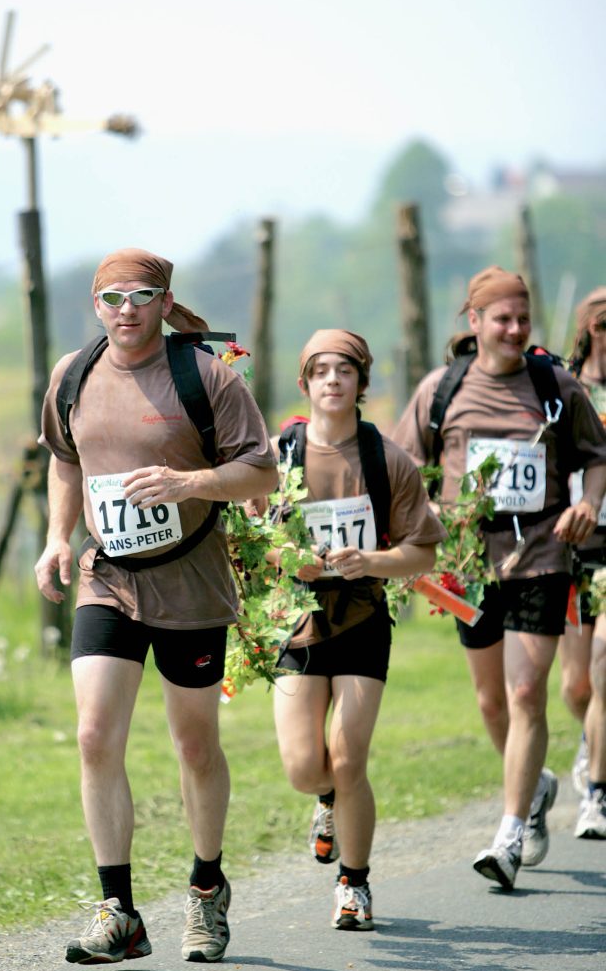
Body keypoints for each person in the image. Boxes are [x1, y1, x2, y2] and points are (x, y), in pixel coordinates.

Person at [35, 247, 278, 965]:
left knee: (194, 744)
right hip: (108, 577)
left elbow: (259, 469)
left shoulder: (206, 376)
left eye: (142, 295)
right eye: (112, 297)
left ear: (167, 302)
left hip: (190, 583)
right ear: (96, 303)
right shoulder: (72, 375)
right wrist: (56, 536)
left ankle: (206, 891)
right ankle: (119, 913)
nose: (127, 310)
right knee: (93, 735)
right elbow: (64, 457)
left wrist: (190, 483)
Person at [393, 266, 606, 890]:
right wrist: (422, 511)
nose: (514, 330)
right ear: (475, 321)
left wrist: (586, 501)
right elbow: (406, 466)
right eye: (502, 319)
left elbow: (598, 459)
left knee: (523, 694)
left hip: (542, 553)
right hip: (468, 565)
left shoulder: (557, 387)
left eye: (522, 318)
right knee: (490, 701)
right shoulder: (442, 389)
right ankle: (536, 785)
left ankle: (510, 833)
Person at [254, 330, 446, 931]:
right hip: (296, 618)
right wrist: (289, 560)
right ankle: (327, 802)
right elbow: (250, 541)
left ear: (362, 383)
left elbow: (424, 553)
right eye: (321, 371)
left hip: (363, 616)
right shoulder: (276, 456)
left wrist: (373, 563)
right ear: (305, 383)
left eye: (345, 371)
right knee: (306, 768)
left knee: (349, 754)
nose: (333, 380)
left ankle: (354, 885)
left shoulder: (387, 460)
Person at [560, 287, 606, 839]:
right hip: (572, 551)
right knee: (576, 688)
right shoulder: (564, 387)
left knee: (602, 668)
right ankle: (593, 737)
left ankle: (596, 790)